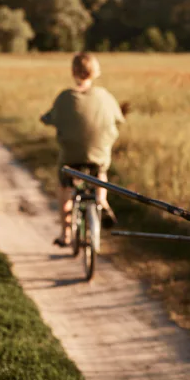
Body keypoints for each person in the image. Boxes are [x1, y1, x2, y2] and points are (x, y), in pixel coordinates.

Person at [41, 52, 126, 247]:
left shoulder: (64, 97)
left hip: (71, 156)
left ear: (73, 72)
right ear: (95, 72)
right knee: (101, 171)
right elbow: (119, 118)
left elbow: (49, 118)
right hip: (98, 154)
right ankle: (102, 200)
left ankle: (65, 234)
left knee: (65, 185)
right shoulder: (105, 96)